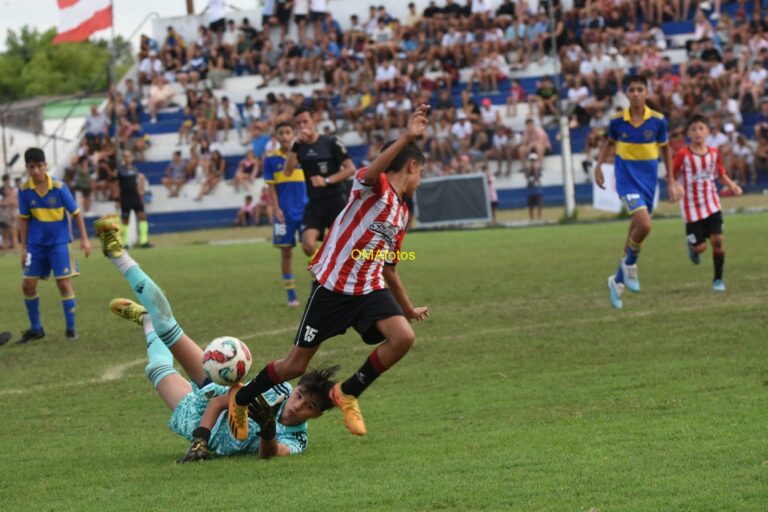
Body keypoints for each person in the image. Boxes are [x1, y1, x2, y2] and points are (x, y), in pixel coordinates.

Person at [227, 105, 432, 440]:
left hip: (368, 289)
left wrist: (407, 309)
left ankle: (347, 392)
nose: (420, 182)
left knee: (404, 337)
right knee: (295, 366)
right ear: (411, 166)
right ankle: (243, 398)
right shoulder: (373, 187)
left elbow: (390, 268)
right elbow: (369, 173)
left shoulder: (402, 213)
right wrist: (408, 136)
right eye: (420, 174)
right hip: (332, 288)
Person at [92, 214, 338, 462]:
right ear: (295, 389)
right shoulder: (278, 390)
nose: (298, 406)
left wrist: (267, 429)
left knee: (157, 367)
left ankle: (147, 322)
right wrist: (200, 442)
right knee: (167, 324)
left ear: (317, 415)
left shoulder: (298, 438)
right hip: (211, 398)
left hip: (195, 418)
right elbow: (221, 402)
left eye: (309, 406)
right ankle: (117, 254)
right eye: (300, 396)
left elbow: (271, 455)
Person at [594, 75, 683, 309]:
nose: (635, 93)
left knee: (635, 231)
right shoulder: (617, 121)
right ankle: (631, 267)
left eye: (639, 89)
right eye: (631, 90)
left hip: (648, 181)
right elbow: (608, 144)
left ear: (647, 93)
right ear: (626, 94)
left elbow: (666, 151)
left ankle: (616, 281)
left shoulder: (658, 121)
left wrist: (671, 180)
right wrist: (599, 167)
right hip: (626, 180)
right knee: (644, 225)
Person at [16, 148, 92, 343]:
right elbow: (23, 220)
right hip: (35, 246)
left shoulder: (59, 188)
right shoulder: (24, 190)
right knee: (27, 285)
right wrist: (23, 248)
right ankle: (36, 329)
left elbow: (76, 213)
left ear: (45, 165)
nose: (35, 171)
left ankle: (71, 329)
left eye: (39, 166)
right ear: (27, 168)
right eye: (31, 167)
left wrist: (84, 239)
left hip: (59, 244)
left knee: (63, 283)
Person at [672, 115, 743, 292]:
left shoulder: (714, 153)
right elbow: (671, 176)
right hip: (691, 207)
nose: (698, 132)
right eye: (694, 129)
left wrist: (733, 185)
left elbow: (720, 173)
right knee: (701, 247)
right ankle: (693, 247)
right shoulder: (682, 154)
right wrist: (675, 188)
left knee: (718, 241)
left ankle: (717, 280)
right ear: (688, 133)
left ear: (708, 132)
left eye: (701, 128)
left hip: (712, 203)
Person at [283, 107, 356, 260]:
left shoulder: (330, 142)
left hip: (336, 201)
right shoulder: (298, 147)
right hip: (314, 203)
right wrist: (295, 144)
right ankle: (323, 271)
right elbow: (288, 171)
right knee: (308, 245)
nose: (302, 126)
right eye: (298, 123)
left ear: (314, 121)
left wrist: (327, 180)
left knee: (346, 247)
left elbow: (350, 169)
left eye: (305, 121)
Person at [263, 121, 309, 307]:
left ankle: (320, 287)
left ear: (293, 134)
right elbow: (271, 188)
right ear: (276, 136)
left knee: (310, 247)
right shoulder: (270, 159)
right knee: (286, 251)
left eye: (287, 132)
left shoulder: (303, 156)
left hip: (305, 210)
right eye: (280, 133)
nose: (284, 136)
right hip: (284, 213)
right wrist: (276, 209)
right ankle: (291, 294)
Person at [118, 151, 152, 249]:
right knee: (125, 220)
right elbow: (117, 184)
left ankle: (144, 241)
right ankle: (124, 243)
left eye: (129, 156)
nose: (127, 158)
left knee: (142, 216)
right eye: (125, 156)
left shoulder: (135, 169)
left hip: (135, 197)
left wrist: (141, 190)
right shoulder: (121, 171)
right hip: (125, 197)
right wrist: (117, 199)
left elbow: (138, 181)